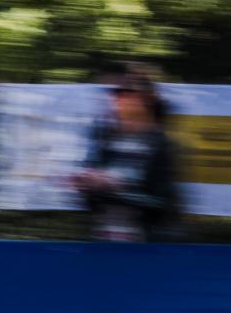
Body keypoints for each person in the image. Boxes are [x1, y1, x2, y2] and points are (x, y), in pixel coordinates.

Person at [72, 73, 182, 242]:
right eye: (117, 94)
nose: (120, 99)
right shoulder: (105, 138)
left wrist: (117, 186)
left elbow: (163, 203)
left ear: (147, 100)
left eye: (128, 93)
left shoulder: (161, 144)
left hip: (146, 245)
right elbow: (90, 202)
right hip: (103, 241)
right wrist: (85, 185)